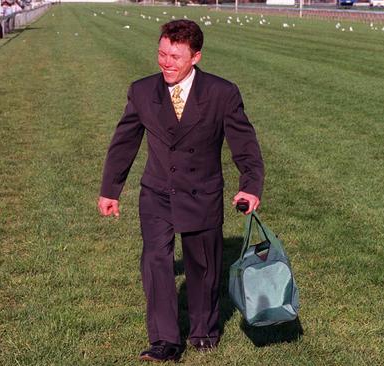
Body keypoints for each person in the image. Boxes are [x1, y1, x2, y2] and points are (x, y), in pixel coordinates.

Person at [98, 20, 264, 362]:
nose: (166, 62)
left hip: (201, 192)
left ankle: (203, 330)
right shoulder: (142, 91)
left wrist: (249, 186)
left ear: (196, 57)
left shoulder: (221, 93)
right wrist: (110, 190)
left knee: (202, 266)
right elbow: (124, 142)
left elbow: (245, 145)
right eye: (161, 53)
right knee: (156, 262)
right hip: (157, 192)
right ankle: (165, 342)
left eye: (175, 56)